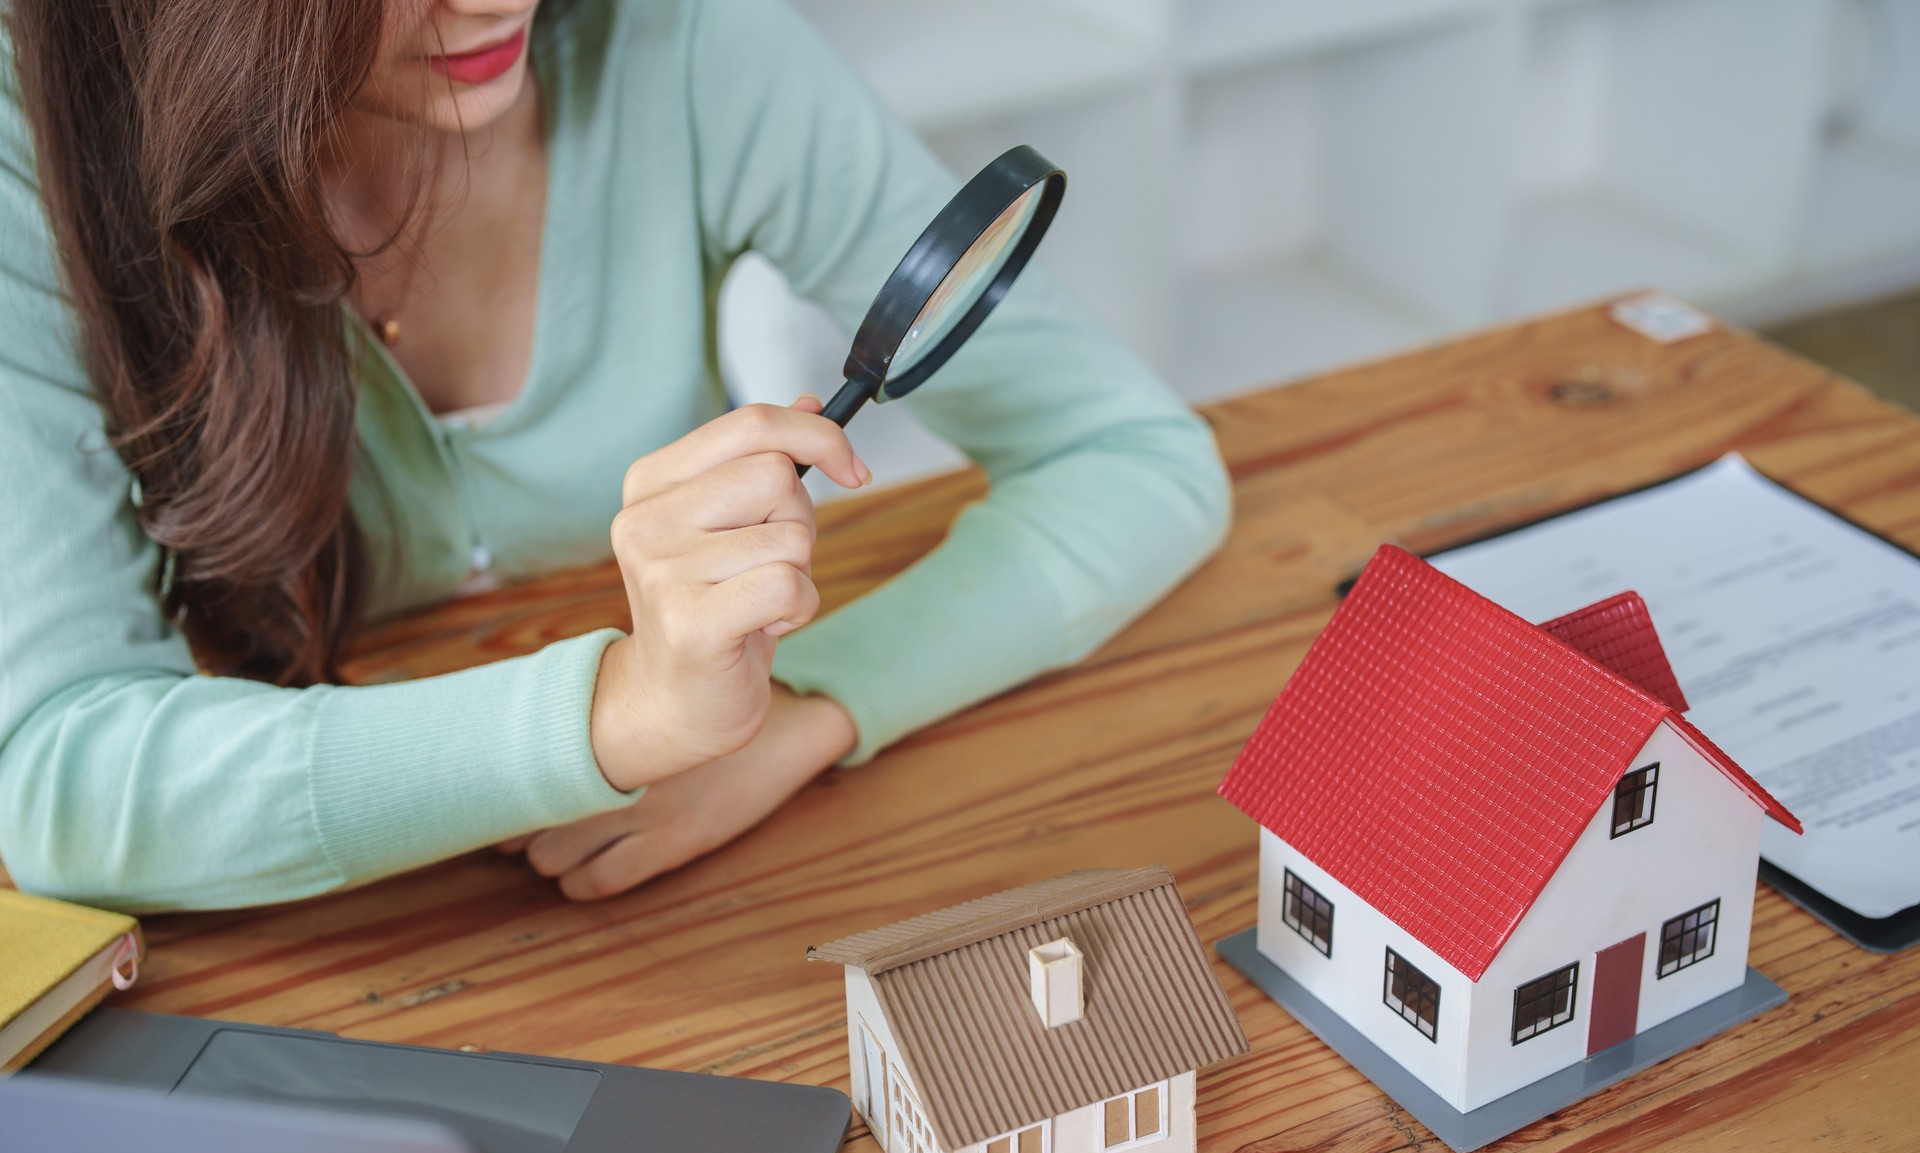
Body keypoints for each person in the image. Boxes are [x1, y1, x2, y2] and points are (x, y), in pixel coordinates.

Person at [0, 0, 1229, 913]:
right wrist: (620, 715)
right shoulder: (36, 136)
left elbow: (1134, 454)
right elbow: (62, 776)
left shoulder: (687, 43)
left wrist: (802, 708)